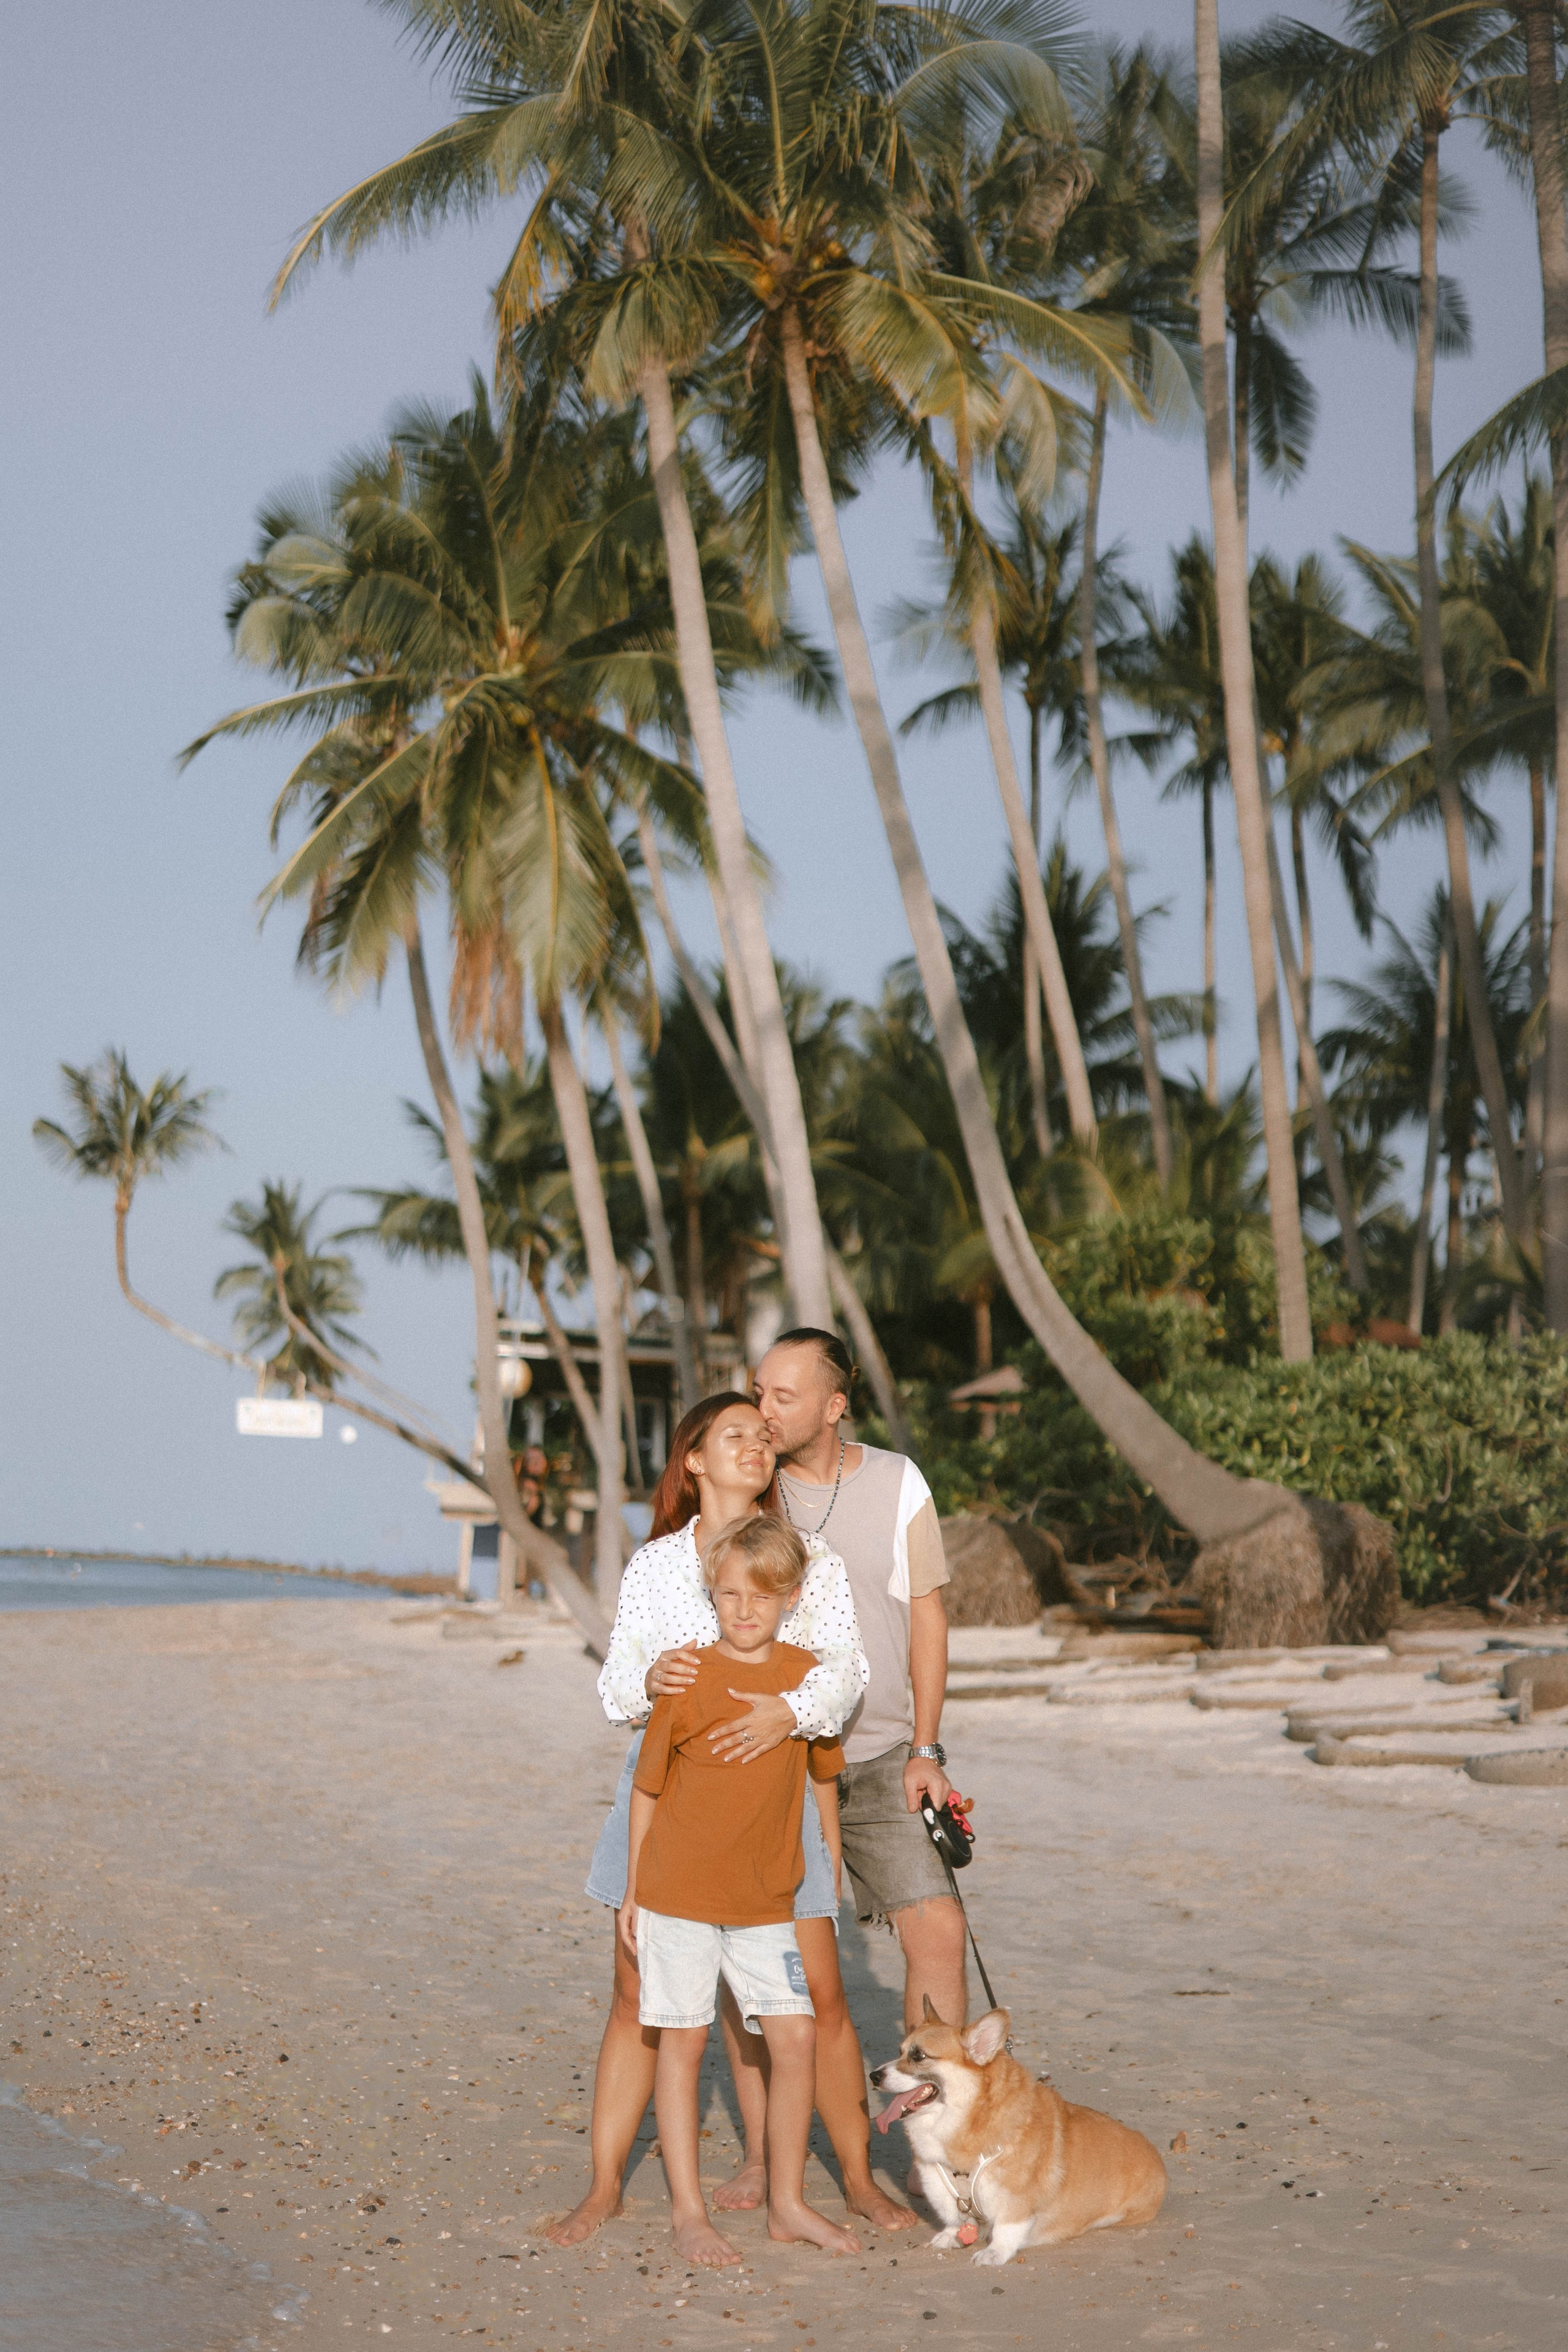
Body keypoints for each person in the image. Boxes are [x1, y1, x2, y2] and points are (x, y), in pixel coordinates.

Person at [545, 1393, 914, 2248]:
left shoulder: (804, 1557)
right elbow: (615, 1691)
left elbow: (844, 1675)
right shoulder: (658, 1566)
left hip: (779, 1807)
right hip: (668, 1802)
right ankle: (603, 2187)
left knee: (815, 2000)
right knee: (636, 1996)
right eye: (733, 1436)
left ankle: (854, 2180)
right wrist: (656, 1678)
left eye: (763, 1434)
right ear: (695, 1460)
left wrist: (787, 1711)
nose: (756, 1445)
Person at [622, 1513, 860, 2265]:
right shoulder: (688, 1675)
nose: (743, 1610)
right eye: (728, 1595)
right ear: (711, 1596)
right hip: (678, 1893)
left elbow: (824, 1780)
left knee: (794, 2039)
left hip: (767, 1901)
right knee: (682, 2043)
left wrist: (833, 1865)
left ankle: (787, 2203)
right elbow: (648, 1787)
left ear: (789, 1596)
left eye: (760, 1596)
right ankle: (689, 2213)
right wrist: (634, 1891)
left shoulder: (804, 1681)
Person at [753, 1329, 968, 2030]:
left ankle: (936, 2129)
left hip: (880, 1758)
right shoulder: (754, 1489)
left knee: (938, 1932)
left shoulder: (898, 1480)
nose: (765, 1411)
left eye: (783, 1396)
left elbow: (926, 1616)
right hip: (780, 1760)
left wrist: (926, 1750)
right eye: (759, 1393)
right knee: (786, 1962)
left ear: (833, 1404)